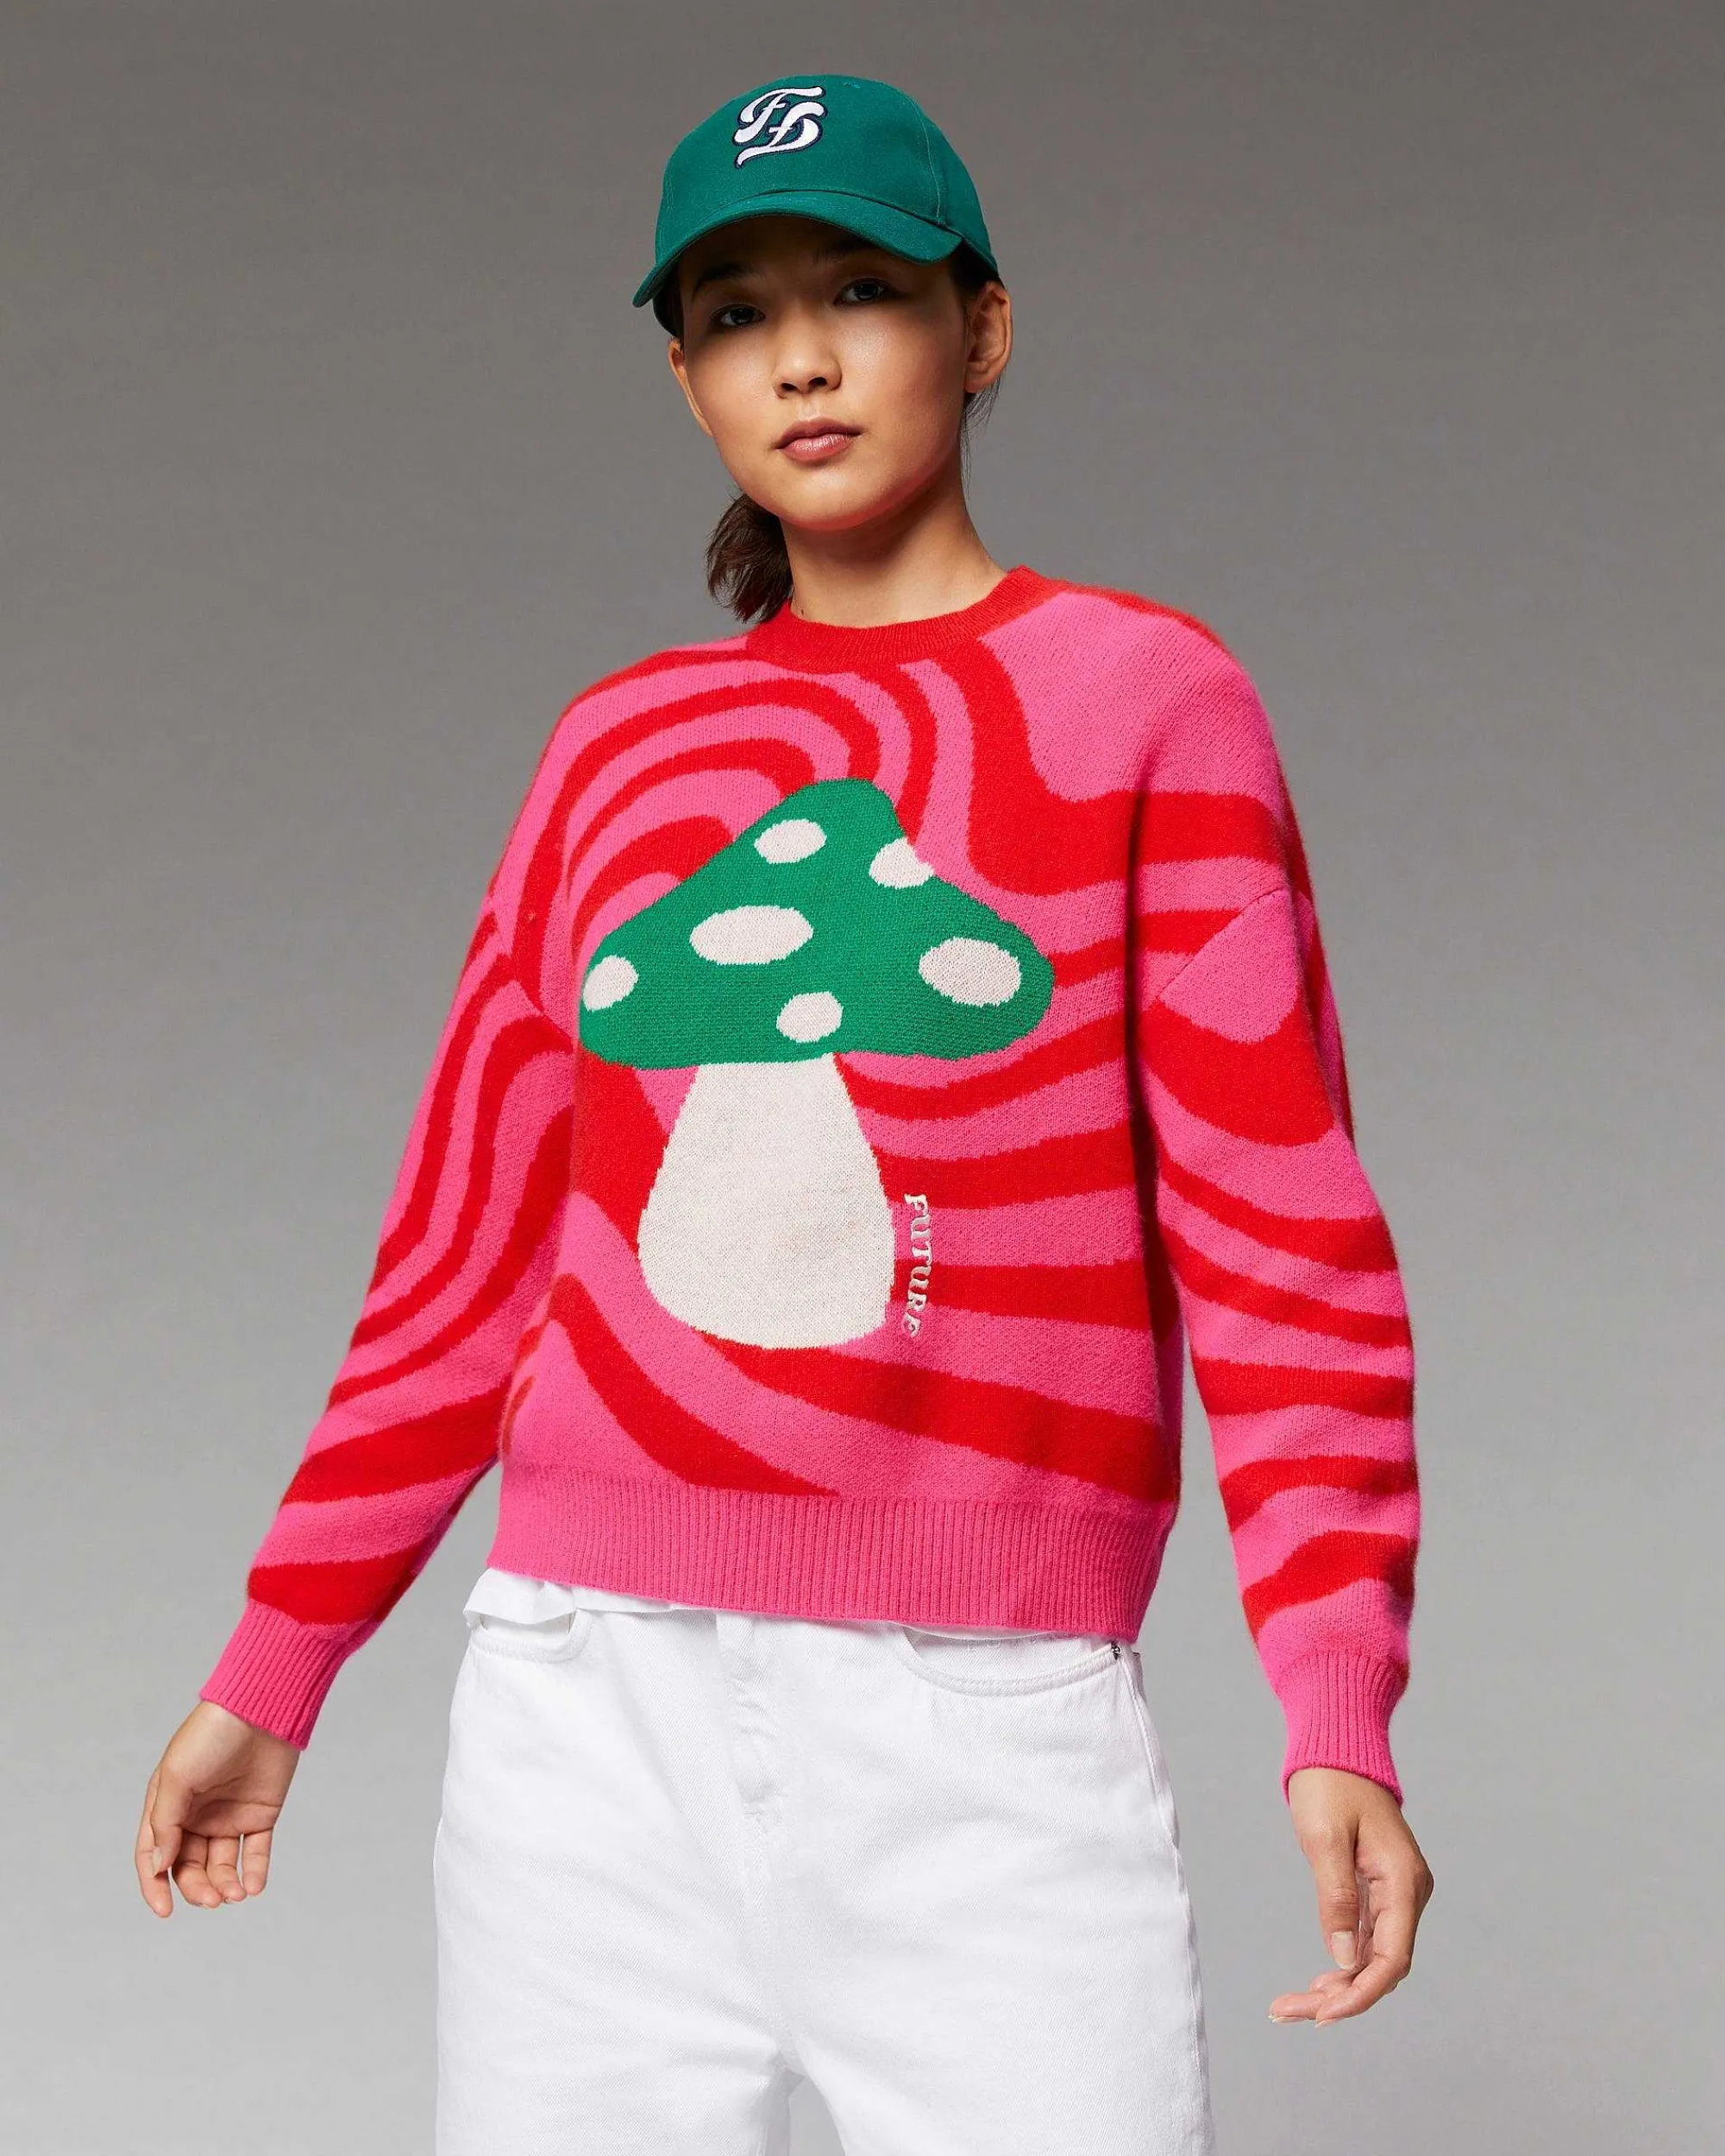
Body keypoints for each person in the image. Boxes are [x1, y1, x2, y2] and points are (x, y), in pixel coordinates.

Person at [135, 71, 1433, 2154]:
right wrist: (277, 1655)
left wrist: (1333, 1697)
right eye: (735, 313)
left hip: (985, 1734)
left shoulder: (1147, 702)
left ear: (980, 327)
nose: (800, 357)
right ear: (684, 378)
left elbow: (1279, 1234)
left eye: (859, 288)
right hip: (586, 1725)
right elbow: (466, 1252)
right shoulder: (614, 753)